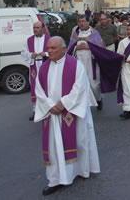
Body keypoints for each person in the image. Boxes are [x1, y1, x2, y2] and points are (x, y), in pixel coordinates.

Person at [34, 37, 100, 196]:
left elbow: (80, 87)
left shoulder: (75, 65)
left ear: (63, 49)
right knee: (54, 146)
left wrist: (62, 104)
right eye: (48, 48)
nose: (49, 50)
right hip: (53, 115)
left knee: (79, 141)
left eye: (53, 48)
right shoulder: (43, 68)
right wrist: (51, 106)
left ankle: (80, 170)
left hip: (71, 112)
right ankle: (56, 179)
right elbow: (39, 90)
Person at [67, 15, 105, 110]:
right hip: (78, 62)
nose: (81, 23)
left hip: (91, 62)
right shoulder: (75, 34)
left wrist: (89, 47)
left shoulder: (94, 33)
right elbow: (70, 48)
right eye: (79, 21)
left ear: (88, 22)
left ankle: (98, 99)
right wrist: (76, 48)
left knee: (94, 85)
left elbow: (101, 48)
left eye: (83, 21)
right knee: (80, 84)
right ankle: (83, 105)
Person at [21, 21, 50, 121]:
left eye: (37, 28)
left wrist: (45, 54)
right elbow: (23, 52)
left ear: (43, 28)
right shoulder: (29, 40)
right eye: (34, 28)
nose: (35, 30)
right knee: (34, 88)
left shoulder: (48, 39)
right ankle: (35, 111)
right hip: (34, 66)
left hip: (45, 65)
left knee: (46, 88)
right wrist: (30, 55)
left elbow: (55, 51)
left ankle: (47, 109)